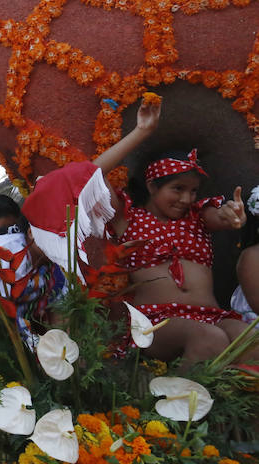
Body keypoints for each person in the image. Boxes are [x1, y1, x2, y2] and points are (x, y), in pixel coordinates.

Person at [95, 98, 256, 365]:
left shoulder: (198, 217)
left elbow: (221, 216)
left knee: (248, 342)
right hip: (157, 321)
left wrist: (232, 215)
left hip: (211, 316)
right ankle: (165, 404)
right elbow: (93, 173)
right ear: (151, 186)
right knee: (209, 340)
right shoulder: (128, 218)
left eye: (193, 191)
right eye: (177, 189)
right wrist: (142, 131)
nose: (186, 199)